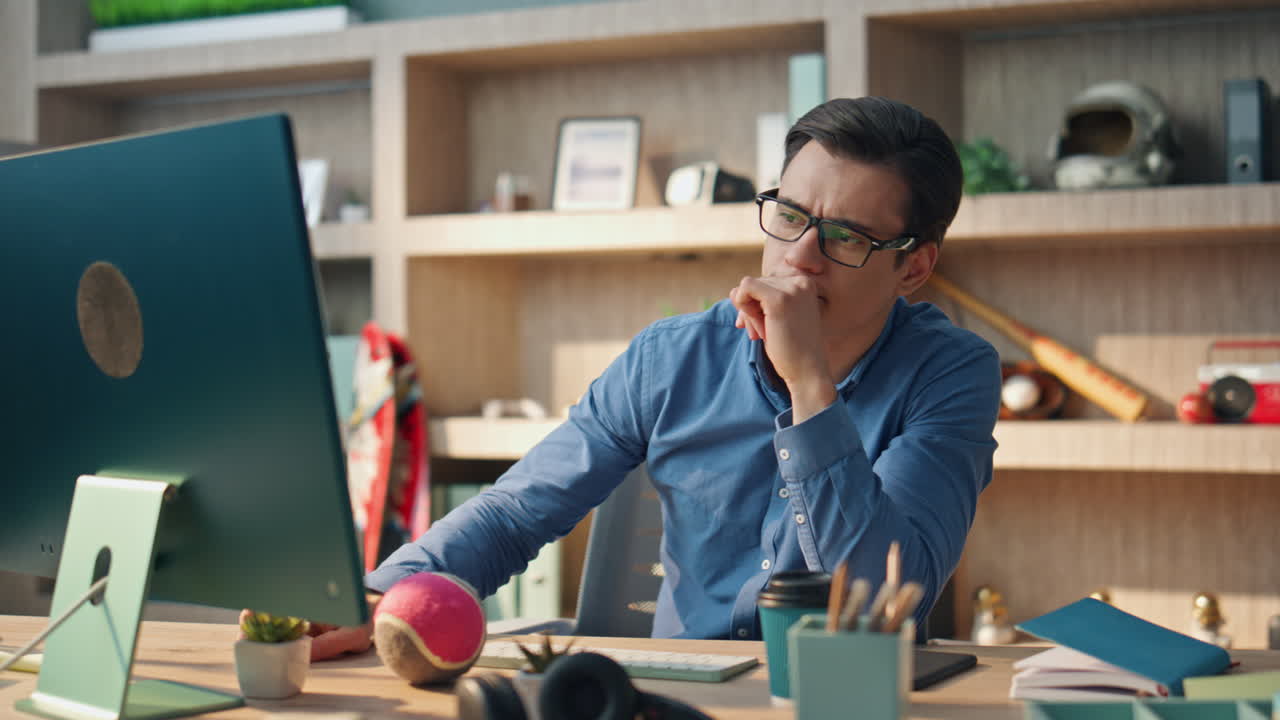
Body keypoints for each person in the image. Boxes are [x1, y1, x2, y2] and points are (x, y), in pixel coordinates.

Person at [310, 96, 1001, 660]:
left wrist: (809, 387)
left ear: (913, 267)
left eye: (845, 237)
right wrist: (383, 597)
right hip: (678, 697)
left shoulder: (952, 373)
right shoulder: (671, 359)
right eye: (789, 216)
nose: (799, 256)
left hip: (843, 699)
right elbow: (516, 513)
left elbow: (887, 593)